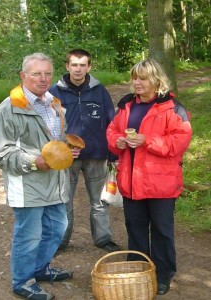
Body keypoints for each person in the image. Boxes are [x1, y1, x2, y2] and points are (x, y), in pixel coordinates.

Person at [0, 53, 78, 300]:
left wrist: (67, 148)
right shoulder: (10, 108)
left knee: (57, 229)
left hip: (55, 182)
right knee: (29, 235)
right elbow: (1, 153)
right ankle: (22, 281)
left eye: (47, 73)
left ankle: (40, 269)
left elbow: (56, 141)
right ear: (23, 76)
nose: (43, 78)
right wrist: (33, 162)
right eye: (36, 73)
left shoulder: (54, 103)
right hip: (27, 184)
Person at [106, 59, 192, 295]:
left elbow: (179, 142)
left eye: (142, 78)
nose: (137, 82)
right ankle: (138, 270)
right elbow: (112, 130)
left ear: (156, 80)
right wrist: (118, 141)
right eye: (135, 77)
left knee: (162, 231)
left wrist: (147, 141)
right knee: (135, 229)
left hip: (161, 183)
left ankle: (163, 274)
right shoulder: (126, 105)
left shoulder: (173, 108)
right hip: (131, 181)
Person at [49, 48, 120, 252]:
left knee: (100, 201)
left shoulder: (99, 91)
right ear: (67, 66)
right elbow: (47, 125)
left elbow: (111, 122)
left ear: (89, 66)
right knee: (64, 200)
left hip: (97, 155)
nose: (78, 69)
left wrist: (113, 154)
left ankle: (103, 239)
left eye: (82, 65)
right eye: (74, 65)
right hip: (66, 156)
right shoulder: (54, 92)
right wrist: (58, 150)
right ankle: (60, 241)